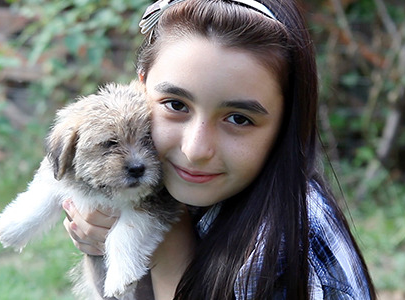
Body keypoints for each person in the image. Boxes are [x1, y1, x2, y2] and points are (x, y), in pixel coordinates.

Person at [62, 0, 377, 299]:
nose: (196, 149)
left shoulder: (289, 254)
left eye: (239, 119)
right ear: (140, 88)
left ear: (286, 122)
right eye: (176, 105)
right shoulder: (163, 184)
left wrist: (168, 241)